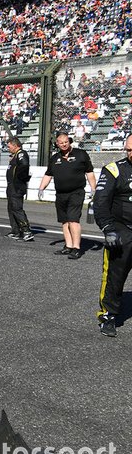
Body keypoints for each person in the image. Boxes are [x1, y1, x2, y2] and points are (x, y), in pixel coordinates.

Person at [93, 134, 132, 337]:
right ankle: (107, 315)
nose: (130, 153)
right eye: (128, 149)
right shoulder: (114, 169)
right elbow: (100, 202)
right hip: (121, 230)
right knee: (114, 276)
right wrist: (108, 228)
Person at [38, 133, 97, 259]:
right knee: (64, 221)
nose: (64, 144)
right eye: (61, 143)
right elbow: (48, 174)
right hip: (60, 194)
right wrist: (41, 188)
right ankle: (68, 246)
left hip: (76, 192)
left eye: (66, 142)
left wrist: (93, 188)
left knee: (73, 220)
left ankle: (76, 248)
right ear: (57, 144)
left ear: (69, 141)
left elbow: (89, 172)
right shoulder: (54, 158)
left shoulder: (81, 154)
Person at [5, 137, 34, 241]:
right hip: (11, 186)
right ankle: (16, 231)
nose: (8, 148)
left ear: (15, 145)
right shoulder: (15, 156)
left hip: (17, 186)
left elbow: (24, 166)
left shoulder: (21, 154)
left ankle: (26, 231)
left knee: (17, 208)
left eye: (9, 146)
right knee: (11, 208)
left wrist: (20, 179)